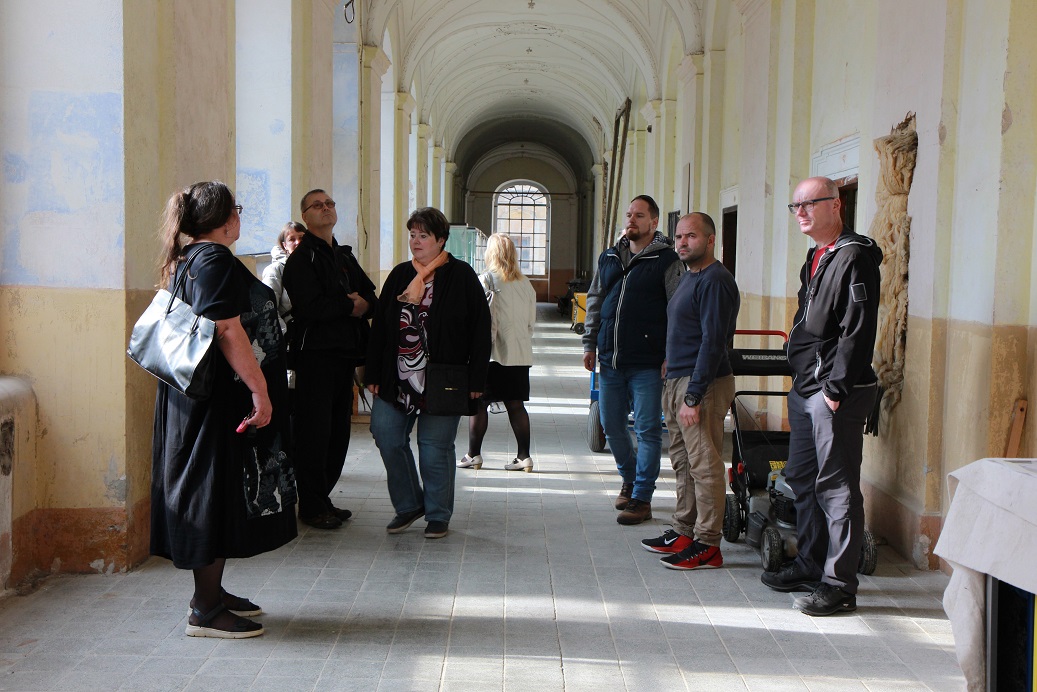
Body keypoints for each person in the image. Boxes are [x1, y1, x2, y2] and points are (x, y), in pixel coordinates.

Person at [150, 181, 298, 639]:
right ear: (224, 218)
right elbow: (227, 330)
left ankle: (212, 591)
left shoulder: (192, 257)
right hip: (213, 400)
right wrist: (261, 391)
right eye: (236, 209)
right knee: (211, 491)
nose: (240, 217)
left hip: (202, 397)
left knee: (219, 489)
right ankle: (205, 608)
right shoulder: (211, 259)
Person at [760, 176, 882, 616]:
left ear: (837, 205)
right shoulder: (816, 255)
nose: (802, 212)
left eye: (811, 203)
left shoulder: (855, 256)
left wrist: (836, 388)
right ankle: (810, 564)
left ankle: (839, 584)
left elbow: (858, 328)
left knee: (837, 487)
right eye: (796, 206)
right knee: (802, 478)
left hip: (834, 392)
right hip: (806, 386)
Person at [365, 207, 491, 539]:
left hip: (444, 379)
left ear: (441, 240)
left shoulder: (461, 275)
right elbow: (381, 328)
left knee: (434, 447)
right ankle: (409, 504)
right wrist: (373, 373)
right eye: (412, 235)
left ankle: (437, 514)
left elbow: (480, 329)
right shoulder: (400, 274)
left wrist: (477, 379)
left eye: (423, 236)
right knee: (386, 434)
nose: (416, 241)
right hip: (397, 377)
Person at [640, 213, 740, 569]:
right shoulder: (689, 276)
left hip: (702, 382)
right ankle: (685, 529)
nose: (682, 242)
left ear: (711, 240)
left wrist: (694, 394)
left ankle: (708, 543)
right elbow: (686, 328)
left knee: (705, 464)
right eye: (679, 236)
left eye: (691, 236)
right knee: (683, 460)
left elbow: (713, 341)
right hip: (678, 378)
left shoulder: (715, 280)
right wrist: (670, 362)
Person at [582, 194, 683, 525]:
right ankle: (629, 478)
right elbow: (595, 299)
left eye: (639, 215)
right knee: (611, 426)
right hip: (611, 360)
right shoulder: (609, 257)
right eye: (629, 214)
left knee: (647, 429)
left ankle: (642, 497)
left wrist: (670, 354)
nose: (631, 220)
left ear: (653, 222)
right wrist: (590, 343)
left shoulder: (667, 260)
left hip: (648, 363)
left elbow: (677, 309)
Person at [283, 190, 378, 530]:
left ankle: (322, 497)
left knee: (338, 433)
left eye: (330, 204)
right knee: (315, 433)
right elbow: (311, 308)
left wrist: (362, 305)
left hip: (345, 355)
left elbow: (371, 296)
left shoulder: (343, 255)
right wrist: (350, 305)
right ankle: (310, 505)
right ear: (305, 216)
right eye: (317, 205)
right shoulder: (301, 260)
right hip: (315, 357)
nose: (326, 209)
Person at [458, 233, 538, 472]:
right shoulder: (525, 283)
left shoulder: (486, 280)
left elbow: (474, 318)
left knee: (480, 403)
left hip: (492, 355)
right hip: (520, 354)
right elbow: (531, 322)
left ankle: (473, 454)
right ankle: (524, 457)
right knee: (516, 405)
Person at [261, 221, 306, 333]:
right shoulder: (275, 271)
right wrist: (283, 335)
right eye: (292, 239)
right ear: (285, 245)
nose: (298, 242)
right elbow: (268, 308)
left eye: (302, 237)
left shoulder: (316, 267)